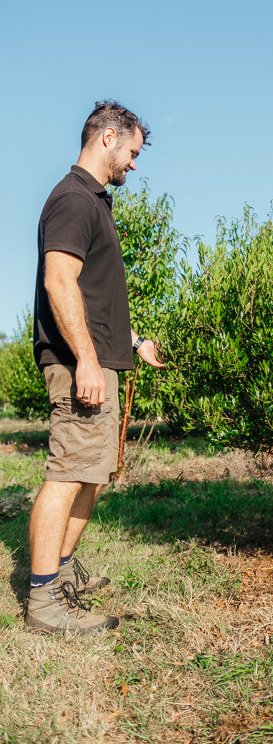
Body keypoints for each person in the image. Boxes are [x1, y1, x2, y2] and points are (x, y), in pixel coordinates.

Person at [26, 101, 165, 634]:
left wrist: (132, 342)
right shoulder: (73, 200)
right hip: (77, 363)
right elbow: (59, 283)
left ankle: (61, 573)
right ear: (107, 138)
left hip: (100, 360)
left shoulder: (95, 204)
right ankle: (43, 602)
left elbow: (92, 296)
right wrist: (84, 358)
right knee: (67, 475)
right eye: (131, 152)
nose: (134, 164)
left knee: (92, 475)